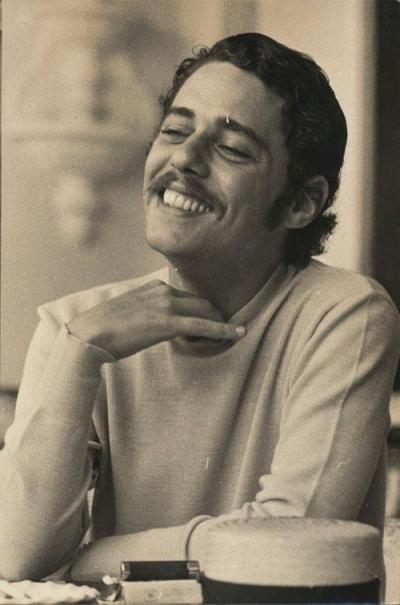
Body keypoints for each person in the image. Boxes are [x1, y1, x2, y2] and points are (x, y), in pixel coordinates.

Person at [1, 32, 399, 582]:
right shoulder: (76, 328)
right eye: (174, 130)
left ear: (302, 202)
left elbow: (294, 542)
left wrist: (86, 560)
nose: (185, 158)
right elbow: (16, 558)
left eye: (232, 148)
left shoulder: (346, 314)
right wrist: (78, 356)